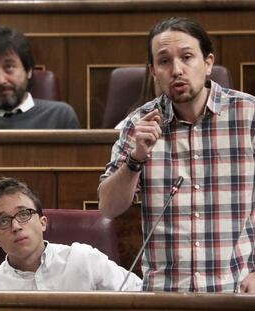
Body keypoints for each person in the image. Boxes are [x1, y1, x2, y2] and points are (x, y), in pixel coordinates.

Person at [98, 17, 255, 293]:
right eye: (164, 61)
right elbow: (108, 207)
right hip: (165, 295)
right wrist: (136, 159)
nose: (177, 70)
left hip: (235, 291)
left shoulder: (248, 115)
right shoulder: (138, 124)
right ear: (153, 71)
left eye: (187, 57)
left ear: (208, 63)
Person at [0, 177, 142, 290]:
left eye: (24, 214)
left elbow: (139, 294)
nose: (16, 226)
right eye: (3, 221)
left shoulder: (82, 258)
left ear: (42, 222)